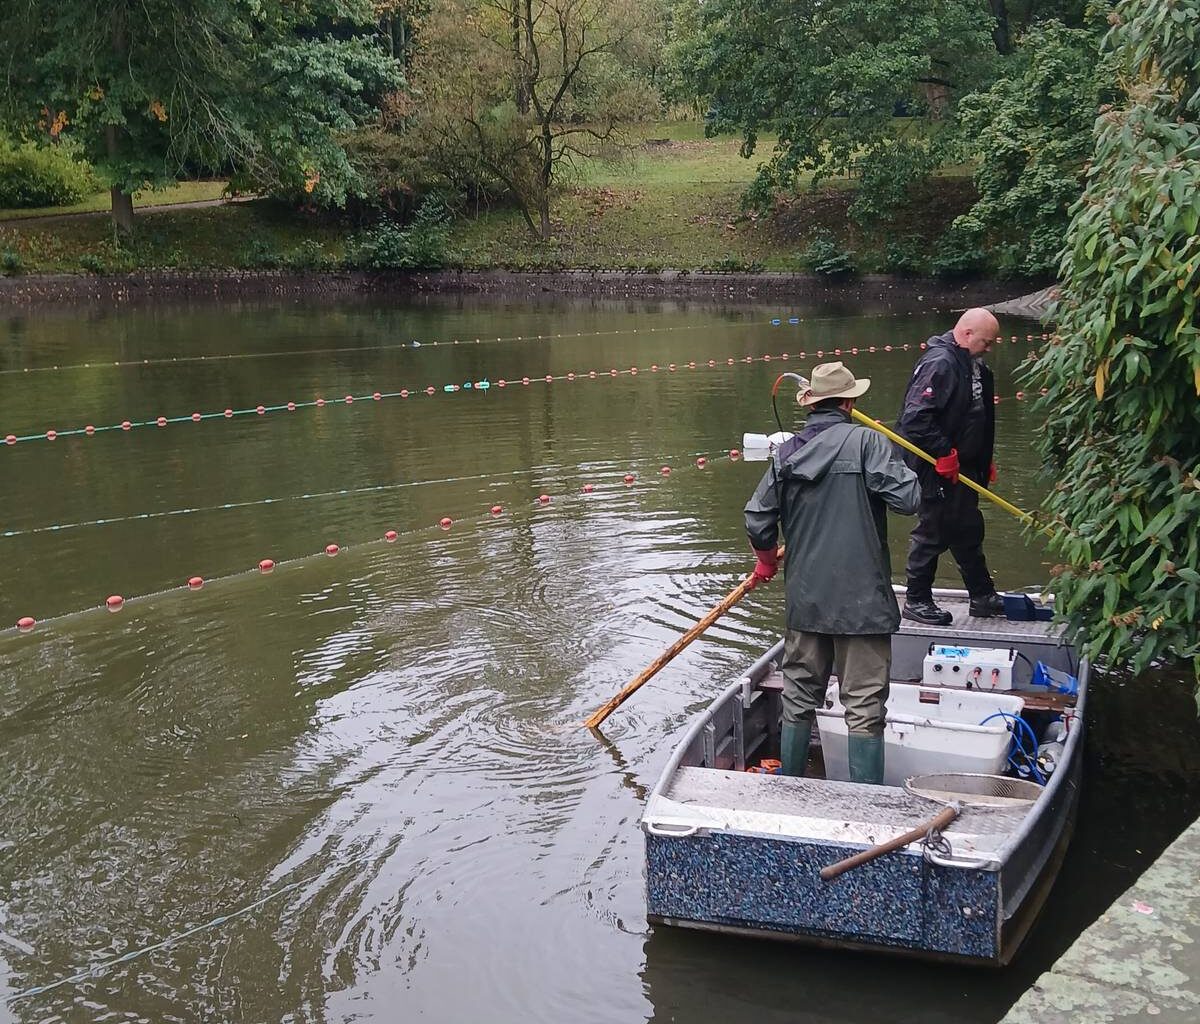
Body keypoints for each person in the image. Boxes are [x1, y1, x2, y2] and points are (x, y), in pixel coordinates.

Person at [744, 362, 921, 784]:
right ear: (849, 403)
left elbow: (757, 518)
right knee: (864, 704)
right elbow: (909, 499)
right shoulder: (869, 442)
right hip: (863, 603)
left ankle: (790, 785)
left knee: (798, 696)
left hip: (807, 601)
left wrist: (766, 560)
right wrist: (900, 463)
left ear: (811, 405)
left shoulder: (785, 453)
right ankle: (866, 801)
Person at [896, 308, 1005, 626]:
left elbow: (976, 416)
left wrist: (983, 458)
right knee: (933, 529)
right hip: (934, 466)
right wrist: (944, 452)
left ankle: (982, 595)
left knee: (968, 528)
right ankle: (916, 599)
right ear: (968, 334)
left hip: (965, 464)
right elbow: (916, 418)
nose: (989, 348)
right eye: (986, 341)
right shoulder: (940, 363)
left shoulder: (974, 364)